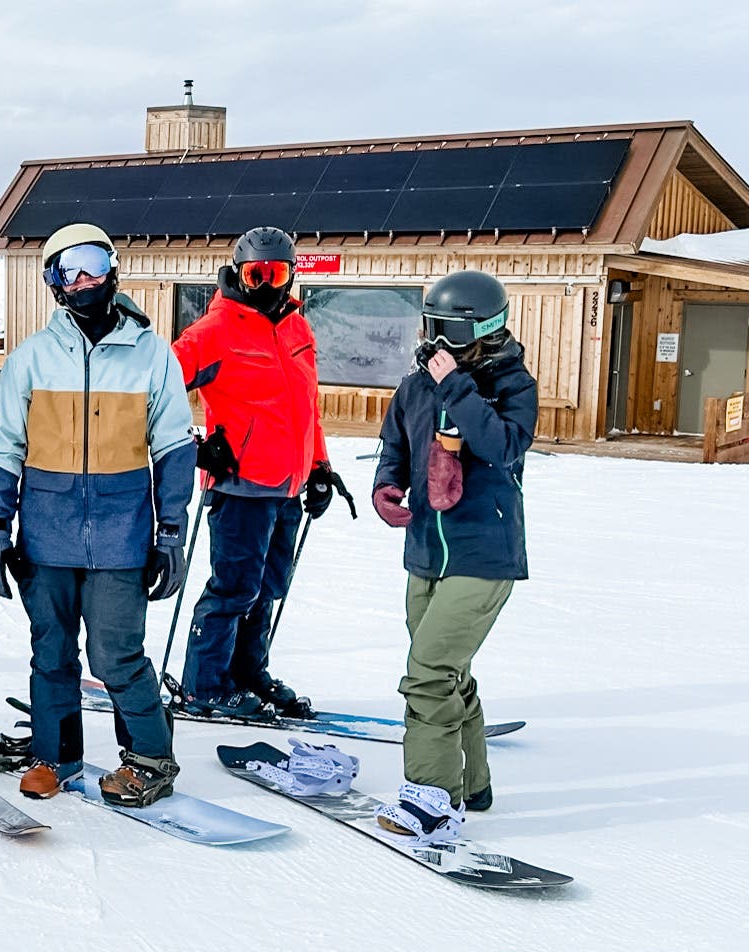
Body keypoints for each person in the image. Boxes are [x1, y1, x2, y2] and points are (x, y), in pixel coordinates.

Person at [0, 223, 195, 805]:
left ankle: (150, 756)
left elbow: (174, 447)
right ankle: (57, 755)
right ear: (52, 282)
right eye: (67, 268)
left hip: (121, 535)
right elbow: (5, 448)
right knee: (51, 652)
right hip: (46, 535)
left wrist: (170, 533)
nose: (82, 278)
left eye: (92, 262)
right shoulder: (31, 358)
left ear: (113, 267)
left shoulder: (152, 355)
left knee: (115, 655)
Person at [371, 270, 534, 843]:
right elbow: (396, 442)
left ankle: (432, 798)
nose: (436, 342)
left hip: (484, 554)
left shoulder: (511, 385)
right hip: (426, 552)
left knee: (427, 674)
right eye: (431, 327)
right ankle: (474, 783)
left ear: (485, 330)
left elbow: (504, 446)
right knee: (447, 671)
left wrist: (459, 388)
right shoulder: (417, 385)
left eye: (450, 331)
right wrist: (385, 486)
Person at [172, 226, 352, 721]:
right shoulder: (214, 331)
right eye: (257, 274)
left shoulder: (297, 328)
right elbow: (158, 391)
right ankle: (205, 683)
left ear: (292, 275)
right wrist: (196, 446)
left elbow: (307, 409)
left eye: (277, 274)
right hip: (239, 485)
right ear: (238, 272)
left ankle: (248, 673)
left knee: (268, 587)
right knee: (233, 589)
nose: (267, 284)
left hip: (287, 485)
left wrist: (319, 468)